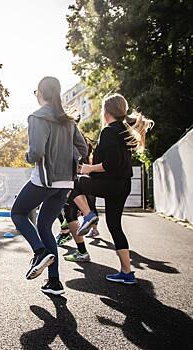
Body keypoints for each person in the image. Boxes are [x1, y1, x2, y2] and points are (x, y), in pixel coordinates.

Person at [10, 76, 88, 296]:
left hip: (45, 179)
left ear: (40, 94)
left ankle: (39, 251)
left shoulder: (36, 117)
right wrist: (68, 161)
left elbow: (36, 153)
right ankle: (54, 282)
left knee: (17, 212)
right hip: (65, 183)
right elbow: (83, 150)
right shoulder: (69, 120)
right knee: (44, 226)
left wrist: (27, 155)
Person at [66, 93, 154, 284]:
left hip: (110, 183)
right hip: (122, 185)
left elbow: (111, 163)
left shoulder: (109, 131)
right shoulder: (124, 130)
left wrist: (89, 168)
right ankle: (127, 272)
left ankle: (88, 215)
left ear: (107, 112)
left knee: (72, 183)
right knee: (115, 226)